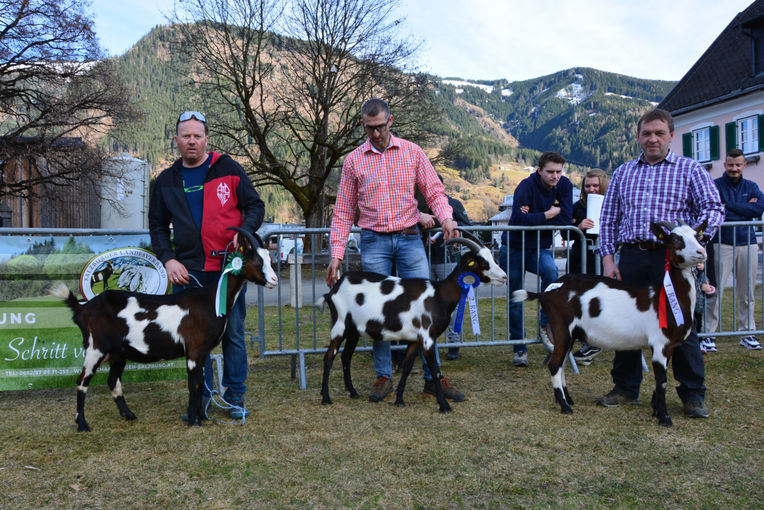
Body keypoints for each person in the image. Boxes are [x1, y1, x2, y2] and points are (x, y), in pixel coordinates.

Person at [326, 98, 465, 403]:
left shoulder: (413, 153)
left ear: (391, 121)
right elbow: (344, 211)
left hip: (410, 238)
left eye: (380, 127)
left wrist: (445, 218)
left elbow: (433, 190)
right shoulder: (353, 161)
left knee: (427, 308)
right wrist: (336, 254)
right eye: (369, 128)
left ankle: (433, 378)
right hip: (374, 240)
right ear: (363, 125)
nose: (375, 134)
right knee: (377, 310)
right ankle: (383, 376)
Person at [596, 108, 724, 419]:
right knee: (626, 322)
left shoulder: (690, 170)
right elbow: (609, 219)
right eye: (646, 133)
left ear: (671, 136)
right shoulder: (624, 172)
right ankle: (625, 388)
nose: (652, 139)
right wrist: (608, 259)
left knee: (679, 323)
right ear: (638, 136)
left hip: (672, 261)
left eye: (659, 133)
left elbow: (713, 209)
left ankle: (693, 394)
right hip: (633, 256)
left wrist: (692, 243)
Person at [149, 110, 265, 419]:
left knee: (233, 335)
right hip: (188, 273)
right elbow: (158, 228)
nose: (191, 141)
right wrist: (168, 258)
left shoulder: (228, 168)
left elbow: (255, 205)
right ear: (176, 140)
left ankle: (236, 395)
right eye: (185, 136)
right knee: (195, 340)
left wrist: (244, 233)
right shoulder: (166, 181)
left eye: (197, 136)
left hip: (228, 270)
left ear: (206, 140)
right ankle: (202, 397)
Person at [503, 151, 573, 367]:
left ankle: (546, 325)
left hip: (540, 247)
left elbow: (566, 218)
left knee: (551, 272)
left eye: (559, 172)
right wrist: (549, 214)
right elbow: (518, 218)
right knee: (516, 297)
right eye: (550, 172)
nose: (555, 176)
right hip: (514, 246)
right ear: (539, 170)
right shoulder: (526, 185)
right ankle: (519, 348)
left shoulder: (564, 186)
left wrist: (534, 215)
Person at [703, 148, 764, 352]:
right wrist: (743, 207)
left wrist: (728, 206)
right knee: (715, 290)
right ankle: (709, 334)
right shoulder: (715, 185)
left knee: (747, 292)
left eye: (738, 165)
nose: (734, 168)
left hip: (748, 243)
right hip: (722, 243)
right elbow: (715, 210)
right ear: (725, 165)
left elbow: (758, 209)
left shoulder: (752, 186)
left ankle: (747, 332)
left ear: (744, 165)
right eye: (730, 164)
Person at [416, 184, 473, 361]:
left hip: (447, 261)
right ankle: (425, 343)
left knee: (452, 304)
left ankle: (453, 343)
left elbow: (466, 226)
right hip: (422, 260)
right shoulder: (415, 204)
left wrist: (455, 226)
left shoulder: (453, 204)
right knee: (424, 305)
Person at [569, 168, 609, 365]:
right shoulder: (577, 206)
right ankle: (584, 340)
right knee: (578, 300)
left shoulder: (612, 204)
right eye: (588, 186)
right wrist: (578, 227)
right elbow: (565, 234)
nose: (592, 189)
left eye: (595, 185)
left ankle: (595, 342)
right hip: (578, 257)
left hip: (602, 258)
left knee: (598, 300)